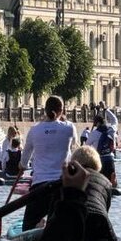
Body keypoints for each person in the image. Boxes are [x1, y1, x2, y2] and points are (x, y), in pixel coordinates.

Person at [19, 96, 78, 230]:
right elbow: (75, 148)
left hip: (39, 186)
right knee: (59, 225)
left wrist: (22, 166)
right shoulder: (69, 128)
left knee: (27, 227)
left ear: (45, 110)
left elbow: (25, 158)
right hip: (61, 186)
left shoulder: (34, 130)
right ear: (61, 110)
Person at [68, 146, 121, 241]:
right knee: (101, 240)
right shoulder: (106, 182)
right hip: (97, 218)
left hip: (72, 217)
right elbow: (105, 212)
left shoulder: (67, 178)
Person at [91, 113, 119, 186]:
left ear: (97, 123)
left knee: (101, 182)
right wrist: (107, 110)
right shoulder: (112, 129)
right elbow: (115, 120)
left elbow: (87, 146)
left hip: (100, 160)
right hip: (110, 159)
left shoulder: (94, 133)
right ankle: (114, 187)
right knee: (112, 178)